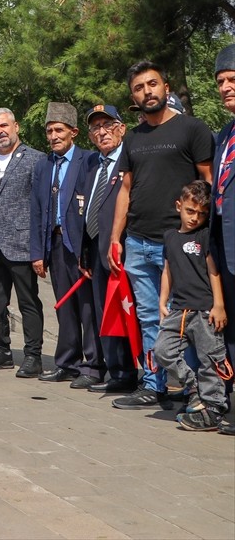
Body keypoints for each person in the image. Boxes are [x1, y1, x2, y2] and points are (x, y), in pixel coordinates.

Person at [110, 61, 213, 410]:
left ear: (166, 88)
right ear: (133, 97)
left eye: (152, 84)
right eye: (139, 88)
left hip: (181, 245)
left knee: (189, 320)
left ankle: (196, 391)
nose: (147, 91)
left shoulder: (192, 128)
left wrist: (206, 235)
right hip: (138, 241)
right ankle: (154, 385)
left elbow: (208, 183)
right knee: (149, 318)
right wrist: (116, 238)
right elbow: (126, 189)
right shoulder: (133, 137)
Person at [33, 102, 102, 388]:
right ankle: (67, 362)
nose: (54, 136)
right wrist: (37, 253)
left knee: (87, 307)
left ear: (73, 132)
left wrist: (90, 249)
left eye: (59, 130)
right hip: (56, 243)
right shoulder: (44, 165)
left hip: (81, 245)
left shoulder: (88, 161)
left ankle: (93, 365)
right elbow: (37, 210)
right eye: (49, 131)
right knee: (64, 307)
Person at [0, 107, 45, 377]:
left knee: (28, 302)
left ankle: (33, 355)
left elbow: (40, 207)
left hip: (22, 244)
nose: (0, 131)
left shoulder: (35, 160)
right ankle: (1, 350)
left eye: (4, 125)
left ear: (16, 127)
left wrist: (38, 248)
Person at [153, 181, 230, 432]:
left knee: (210, 360)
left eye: (201, 214)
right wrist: (162, 301)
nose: (195, 218)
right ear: (179, 206)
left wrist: (219, 305)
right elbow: (167, 271)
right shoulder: (170, 236)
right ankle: (193, 387)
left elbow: (213, 271)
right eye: (190, 211)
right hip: (179, 310)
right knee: (162, 350)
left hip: (205, 311)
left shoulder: (204, 236)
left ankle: (213, 408)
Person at [78, 105, 138, 394]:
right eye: (96, 128)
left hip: (121, 250)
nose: (102, 132)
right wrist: (85, 250)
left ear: (122, 128)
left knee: (127, 312)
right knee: (105, 313)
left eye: (108, 125)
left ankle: (131, 373)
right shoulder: (93, 165)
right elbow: (88, 208)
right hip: (95, 249)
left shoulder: (130, 161)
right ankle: (115, 371)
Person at [209, 45, 235, 434]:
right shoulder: (225, 134)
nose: (226, 87)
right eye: (220, 81)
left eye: (232, 80)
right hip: (226, 250)